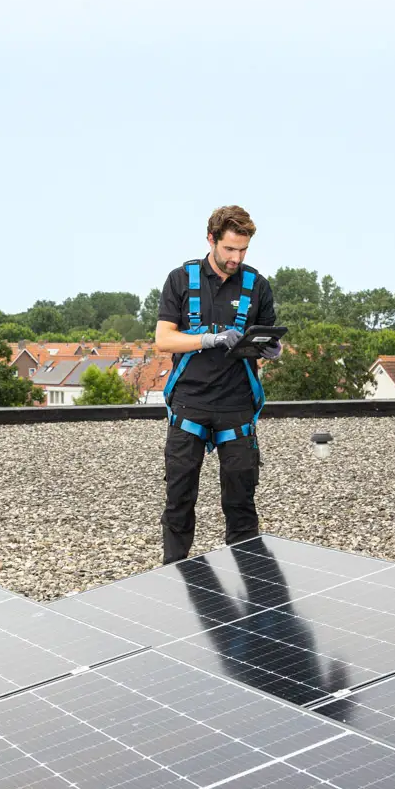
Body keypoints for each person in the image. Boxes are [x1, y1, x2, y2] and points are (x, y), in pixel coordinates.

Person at [154, 205, 279, 564]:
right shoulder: (181, 280)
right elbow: (164, 339)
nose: (236, 258)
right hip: (189, 405)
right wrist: (208, 339)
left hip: (236, 406)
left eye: (243, 250)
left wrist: (272, 348)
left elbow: (268, 336)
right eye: (229, 249)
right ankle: (174, 575)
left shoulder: (257, 285)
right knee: (179, 501)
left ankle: (255, 591)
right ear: (211, 240)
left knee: (241, 503)